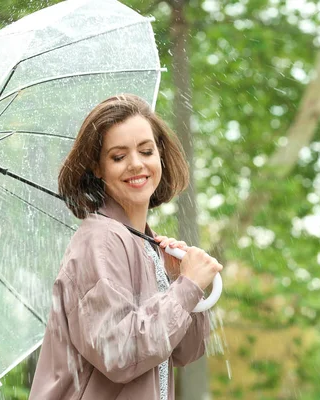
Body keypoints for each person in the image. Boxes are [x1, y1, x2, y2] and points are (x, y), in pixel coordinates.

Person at [29, 94, 223, 400]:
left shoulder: (145, 244)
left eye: (146, 151)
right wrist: (186, 288)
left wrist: (180, 283)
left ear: (160, 153)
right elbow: (118, 353)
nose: (136, 164)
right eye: (118, 157)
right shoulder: (102, 241)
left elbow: (186, 352)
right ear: (97, 167)